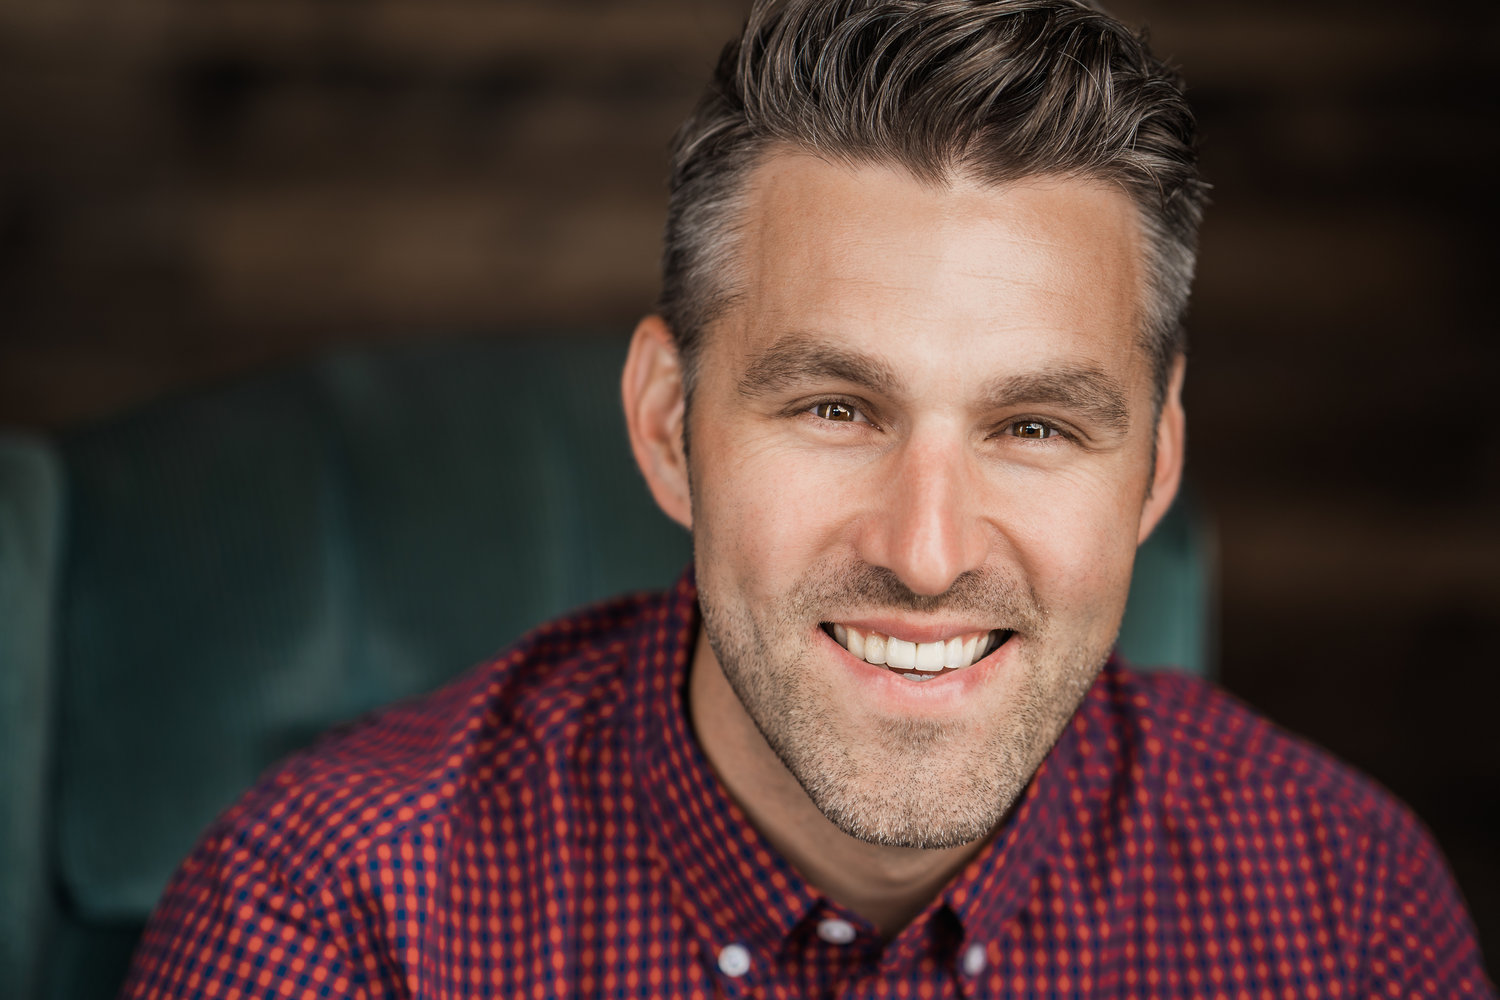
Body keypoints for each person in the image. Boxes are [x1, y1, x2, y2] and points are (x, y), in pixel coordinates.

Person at [121, 0, 1494, 996]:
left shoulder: (1345, 910)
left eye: (1033, 426)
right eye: (836, 409)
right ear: (669, 428)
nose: (927, 553)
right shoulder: (334, 923)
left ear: (1158, 462)